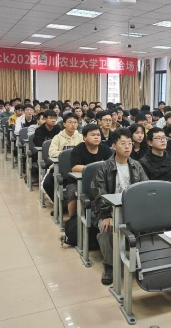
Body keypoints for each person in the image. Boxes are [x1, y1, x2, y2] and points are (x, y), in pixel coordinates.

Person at [91, 129, 149, 285]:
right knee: (107, 230)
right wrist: (106, 216)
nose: (128, 147)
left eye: (130, 143)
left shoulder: (136, 166)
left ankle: (144, 262)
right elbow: (98, 194)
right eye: (123, 143)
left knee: (151, 227)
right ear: (114, 146)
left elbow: (145, 189)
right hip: (109, 211)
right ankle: (109, 265)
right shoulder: (104, 168)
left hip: (132, 211)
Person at [42, 121, 91, 208]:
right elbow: (52, 153)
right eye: (70, 122)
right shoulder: (57, 137)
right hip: (59, 168)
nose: (73, 124)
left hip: (77, 169)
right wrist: (66, 154)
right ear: (64, 124)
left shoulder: (81, 137)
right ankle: (60, 206)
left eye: (75, 122)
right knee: (47, 184)